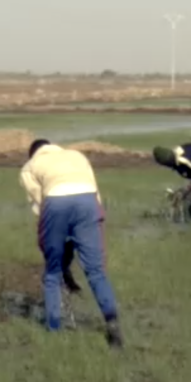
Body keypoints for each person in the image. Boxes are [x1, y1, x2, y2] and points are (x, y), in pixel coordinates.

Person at [20, 138, 122, 348]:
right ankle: (112, 325)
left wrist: (54, 238)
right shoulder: (77, 156)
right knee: (96, 271)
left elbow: (41, 204)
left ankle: (54, 329)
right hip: (88, 203)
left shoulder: (30, 167)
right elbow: (94, 191)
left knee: (52, 272)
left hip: (55, 202)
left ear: (33, 153)